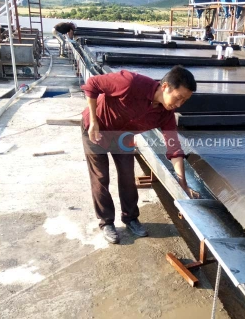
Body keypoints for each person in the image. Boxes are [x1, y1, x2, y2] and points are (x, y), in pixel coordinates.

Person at [81, 65, 198, 244]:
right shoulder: (131, 82)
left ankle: (130, 218)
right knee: (101, 177)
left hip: (123, 136)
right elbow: (92, 84)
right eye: (178, 98)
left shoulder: (166, 114)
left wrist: (182, 184)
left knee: (128, 176)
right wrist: (94, 122)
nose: (179, 104)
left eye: (184, 101)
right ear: (165, 86)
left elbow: (173, 148)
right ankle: (106, 222)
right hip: (97, 129)